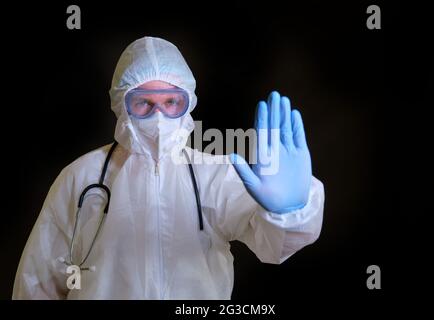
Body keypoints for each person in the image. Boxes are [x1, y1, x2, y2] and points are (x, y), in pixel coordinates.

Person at [13, 36, 325, 299]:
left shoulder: (214, 174)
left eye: (171, 102)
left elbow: (273, 246)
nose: (159, 116)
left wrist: (290, 212)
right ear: (122, 105)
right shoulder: (81, 177)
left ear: (187, 103)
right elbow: (39, 281)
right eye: (143, 103)